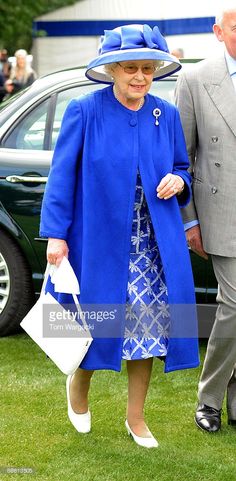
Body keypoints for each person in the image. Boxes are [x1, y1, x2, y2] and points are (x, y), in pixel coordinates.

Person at [40, 24, 199, 448]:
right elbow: (61, 177)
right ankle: (78, 388)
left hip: (151, 246)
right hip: (98, 243)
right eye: (131, 68)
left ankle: (136, 417)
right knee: (95, 325)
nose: (140, 77)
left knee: (147, 330)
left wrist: (178, 181)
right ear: (112, 69)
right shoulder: (84, 110)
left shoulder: (164, 114)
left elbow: (183, 168)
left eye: (148, 68)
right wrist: (56, 235)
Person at [175, 2, 236, 433]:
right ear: (218, 32)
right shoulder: (194, 78)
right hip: (222, 213)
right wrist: (189, 221)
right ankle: (209, 398)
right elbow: (182, 157)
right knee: (235, 304)